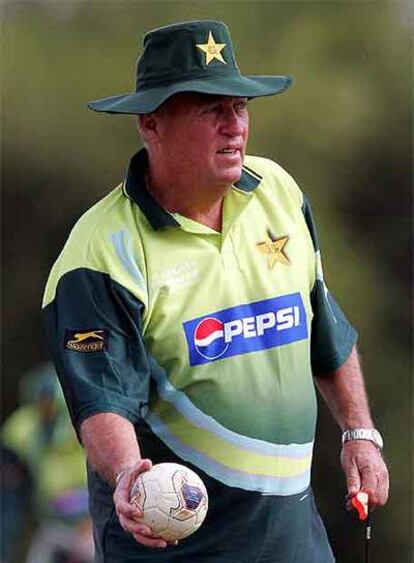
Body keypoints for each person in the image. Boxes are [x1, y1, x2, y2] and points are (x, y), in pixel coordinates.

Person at [42, 20, 389, 563]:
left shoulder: (278, 190)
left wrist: (359, 433)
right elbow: (103, 400)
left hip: (294, 544)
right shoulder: (100, 252)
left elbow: (325, 330)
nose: (235, 128)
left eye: (241, 108)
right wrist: (127, 474)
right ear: (151, 123)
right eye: (211, 111)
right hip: (175, 548)